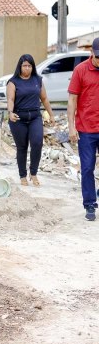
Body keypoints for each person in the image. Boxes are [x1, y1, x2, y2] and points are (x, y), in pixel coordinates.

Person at [6, 54, 55, 187]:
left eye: (29, 65)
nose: (27, 68)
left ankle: (33, 173)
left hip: (35, 117)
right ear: (20, 66)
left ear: (32, 67)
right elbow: (10, 99)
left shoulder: (37, 80)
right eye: (24, 66)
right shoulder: (13, 81)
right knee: (22, 147)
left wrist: (51, 115)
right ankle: (22, 175)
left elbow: (44, 99)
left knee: (37, 143)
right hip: (18, 119)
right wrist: (10, 113)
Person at [67, 37, 99, 221]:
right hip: (86, 129)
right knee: (87, 168)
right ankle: (89, 204)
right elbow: (72, 100)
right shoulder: (81, 70)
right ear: (91, 53)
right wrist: (71, 127)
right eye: (98, 57)